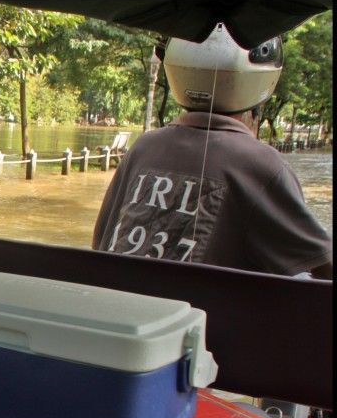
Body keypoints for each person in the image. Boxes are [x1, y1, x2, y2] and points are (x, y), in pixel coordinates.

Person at [92, 23, 332, 280]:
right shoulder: (263, 165)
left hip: (130, 308)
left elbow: (101, 242)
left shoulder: (143, 147)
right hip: (207, 316)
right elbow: (323, 266)